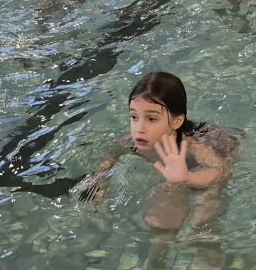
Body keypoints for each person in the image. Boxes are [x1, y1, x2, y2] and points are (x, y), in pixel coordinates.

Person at [75, 72, 239, 230]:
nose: (139, 128)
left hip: (219, 147)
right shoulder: (130, 143)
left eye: (151, 119)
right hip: (179, 171)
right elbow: (111, 155)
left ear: (177, 121)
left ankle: (205, 238)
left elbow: (221, 171)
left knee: (204, 203)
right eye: (134, 117)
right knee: (162, 209)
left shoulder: (192, 147)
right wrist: (100, 178)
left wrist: (187, 178)